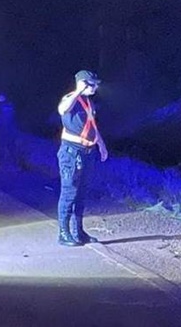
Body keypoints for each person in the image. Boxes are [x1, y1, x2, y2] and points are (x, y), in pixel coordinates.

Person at [56, 70, 108, 246]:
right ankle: (64, 233)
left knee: (81, 194)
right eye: (92, 84)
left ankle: (79, 232)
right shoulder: (71, 99)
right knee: (69, 193)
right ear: (83, 83)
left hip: (87, 153)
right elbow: (62, 109)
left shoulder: (88, 103)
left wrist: (101, 145)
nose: (95, 87)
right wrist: (78, 90)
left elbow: (92, 126)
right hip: (71, 154)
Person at [0, 94, 18, 170]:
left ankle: (1, 164)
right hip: (11, 130)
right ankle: (15, 164)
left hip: (2, 130)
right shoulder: (11, 106)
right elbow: (13, 118)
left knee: (1, 148)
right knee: (12, 148)